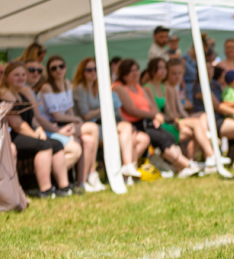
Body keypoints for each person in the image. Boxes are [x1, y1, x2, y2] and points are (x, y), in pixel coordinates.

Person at [113, 59, 201, 178]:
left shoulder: (138, 86)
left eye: (136, 70)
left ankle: (182, 167)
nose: (135, 73)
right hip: (135, 124)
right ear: (123, 73)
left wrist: (157, 116)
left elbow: (152, 107)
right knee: (160, 139)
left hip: (148, 122)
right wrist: (154, 115)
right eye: (130, 71)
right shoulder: (119, 87)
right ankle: (187, 165)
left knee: (167, 137)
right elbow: (131, 110)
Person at [1, 61, 73, 198]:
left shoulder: (21, 94)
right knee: (43, 145)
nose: (21, 78)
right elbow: (16, 124)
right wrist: (36, 136)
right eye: (16, 75)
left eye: (23, 75)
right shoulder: (5, 95)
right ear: (6, 77)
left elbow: (33, 118)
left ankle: (64, 187)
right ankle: (45, 189)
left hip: (27, 133)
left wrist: (39, 129)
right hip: (13, 136)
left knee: (56, 144)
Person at [73, 57, 147, 181]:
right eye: (89, 69)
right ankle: (125, 172)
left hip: (108, 125)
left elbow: (118, 114)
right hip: (93, 127)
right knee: (128, 135)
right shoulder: (80, 89)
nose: (93, 72)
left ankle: (127, 169)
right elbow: (86, 115)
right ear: (82, 72)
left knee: (134, 134)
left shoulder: (103, 88)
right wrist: (104, 110)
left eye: (96, 69)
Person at [39, 55, 102, 191]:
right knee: (91, 129)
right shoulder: (47, 87)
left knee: (89, 140)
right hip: (51, 127)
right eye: (54, 68)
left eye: (61, 66)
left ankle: (82, 182)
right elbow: (56, 115)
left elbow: (68, 110)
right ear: (49, 71)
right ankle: (90, 174)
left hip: (64, 124)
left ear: (66, 67)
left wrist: (75, 123)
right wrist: (75, 120)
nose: (58, 70)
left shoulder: (68, 84)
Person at [144, 57, 221, 167]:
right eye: (160, 68)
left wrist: (182, 118)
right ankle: (206, 155)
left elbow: (174, 110)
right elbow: (162, 112)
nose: (163, 71)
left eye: (164, 68)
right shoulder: (152, 88)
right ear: (152, 70)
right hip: (161, 125)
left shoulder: (163, 87)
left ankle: (200, 159)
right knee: (196, 126)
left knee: (198, 123)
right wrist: (179, 119)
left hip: (169, 121)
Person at [190, 60, 234, 168]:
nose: (209, 71)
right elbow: (218, 107)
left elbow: (224, 102)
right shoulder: (201, 86)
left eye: (210, 68)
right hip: (209, 122)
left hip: (218, 118)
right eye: (205, 69)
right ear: (199, 72)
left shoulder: (215, 84)